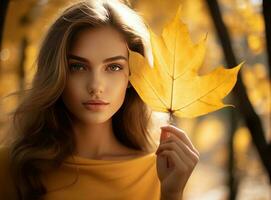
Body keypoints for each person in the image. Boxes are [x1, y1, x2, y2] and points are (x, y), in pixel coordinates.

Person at [0, 0, 200, 199]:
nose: (96, 86)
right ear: (57, 73)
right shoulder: (12, 167)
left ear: (133, 75)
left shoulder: (162, 173)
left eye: (113, 67)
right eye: (78, 67)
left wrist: (172, 193)